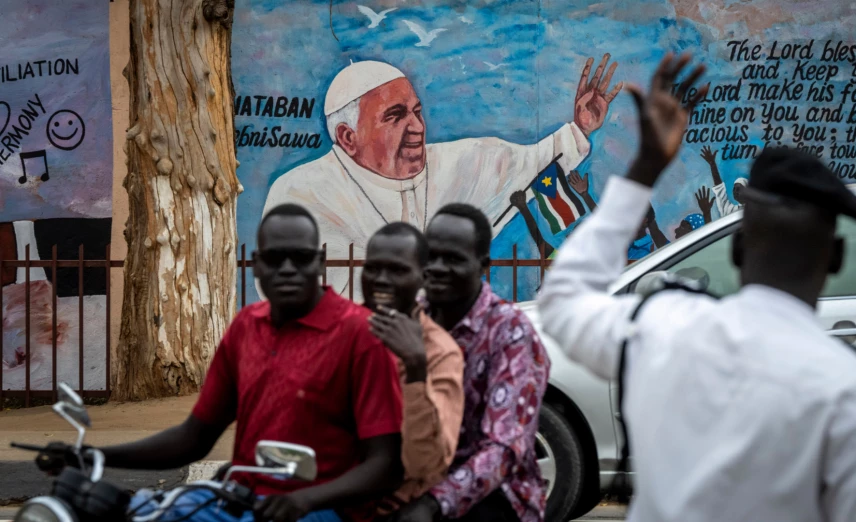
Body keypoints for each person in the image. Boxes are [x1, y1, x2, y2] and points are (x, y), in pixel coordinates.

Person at [538, 52, 856, 522]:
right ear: (836, 259)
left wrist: (645, 169)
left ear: (736, 247)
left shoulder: (660, 330)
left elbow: (560, 301)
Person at [42, 204, 406, 522]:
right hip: (240, 500)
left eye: (301, 257)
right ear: (258, 266)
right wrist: (91, 455)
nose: (289, 269)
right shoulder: (246, 327)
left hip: (318, 511)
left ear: (320, 262)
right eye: (277, 259)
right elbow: (194, 437)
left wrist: (304, 498)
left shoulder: (360, 335)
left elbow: (386, 465)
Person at [262, 54, 624, 300]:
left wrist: (580, 129)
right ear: (347, 137)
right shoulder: (301, 194)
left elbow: (530, 164)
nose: (417, 127)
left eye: (417, 112)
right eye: (395, 116)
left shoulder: (461, 164)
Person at [390, 204, 550, 522]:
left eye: (453, 259)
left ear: (482, 265)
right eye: (430, 256)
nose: (436, 268)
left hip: (494, 496)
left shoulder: (511, 332)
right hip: (415, 477)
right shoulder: (409, 319)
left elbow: (504, 449)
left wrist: (434, 504)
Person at [359, 222, 465, 516]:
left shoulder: (439, 353)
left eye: (397, 270)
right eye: (373, 268)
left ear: (422, 278)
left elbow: (425, 464)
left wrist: (415, 367)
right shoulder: (340, 332)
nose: (381, 280)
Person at [701, 146, 747, 216]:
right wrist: (712, 164)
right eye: (734, 189)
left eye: (738, 189)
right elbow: (720, 191)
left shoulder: (758, 211)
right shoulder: (731, 211)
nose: (735, 192)